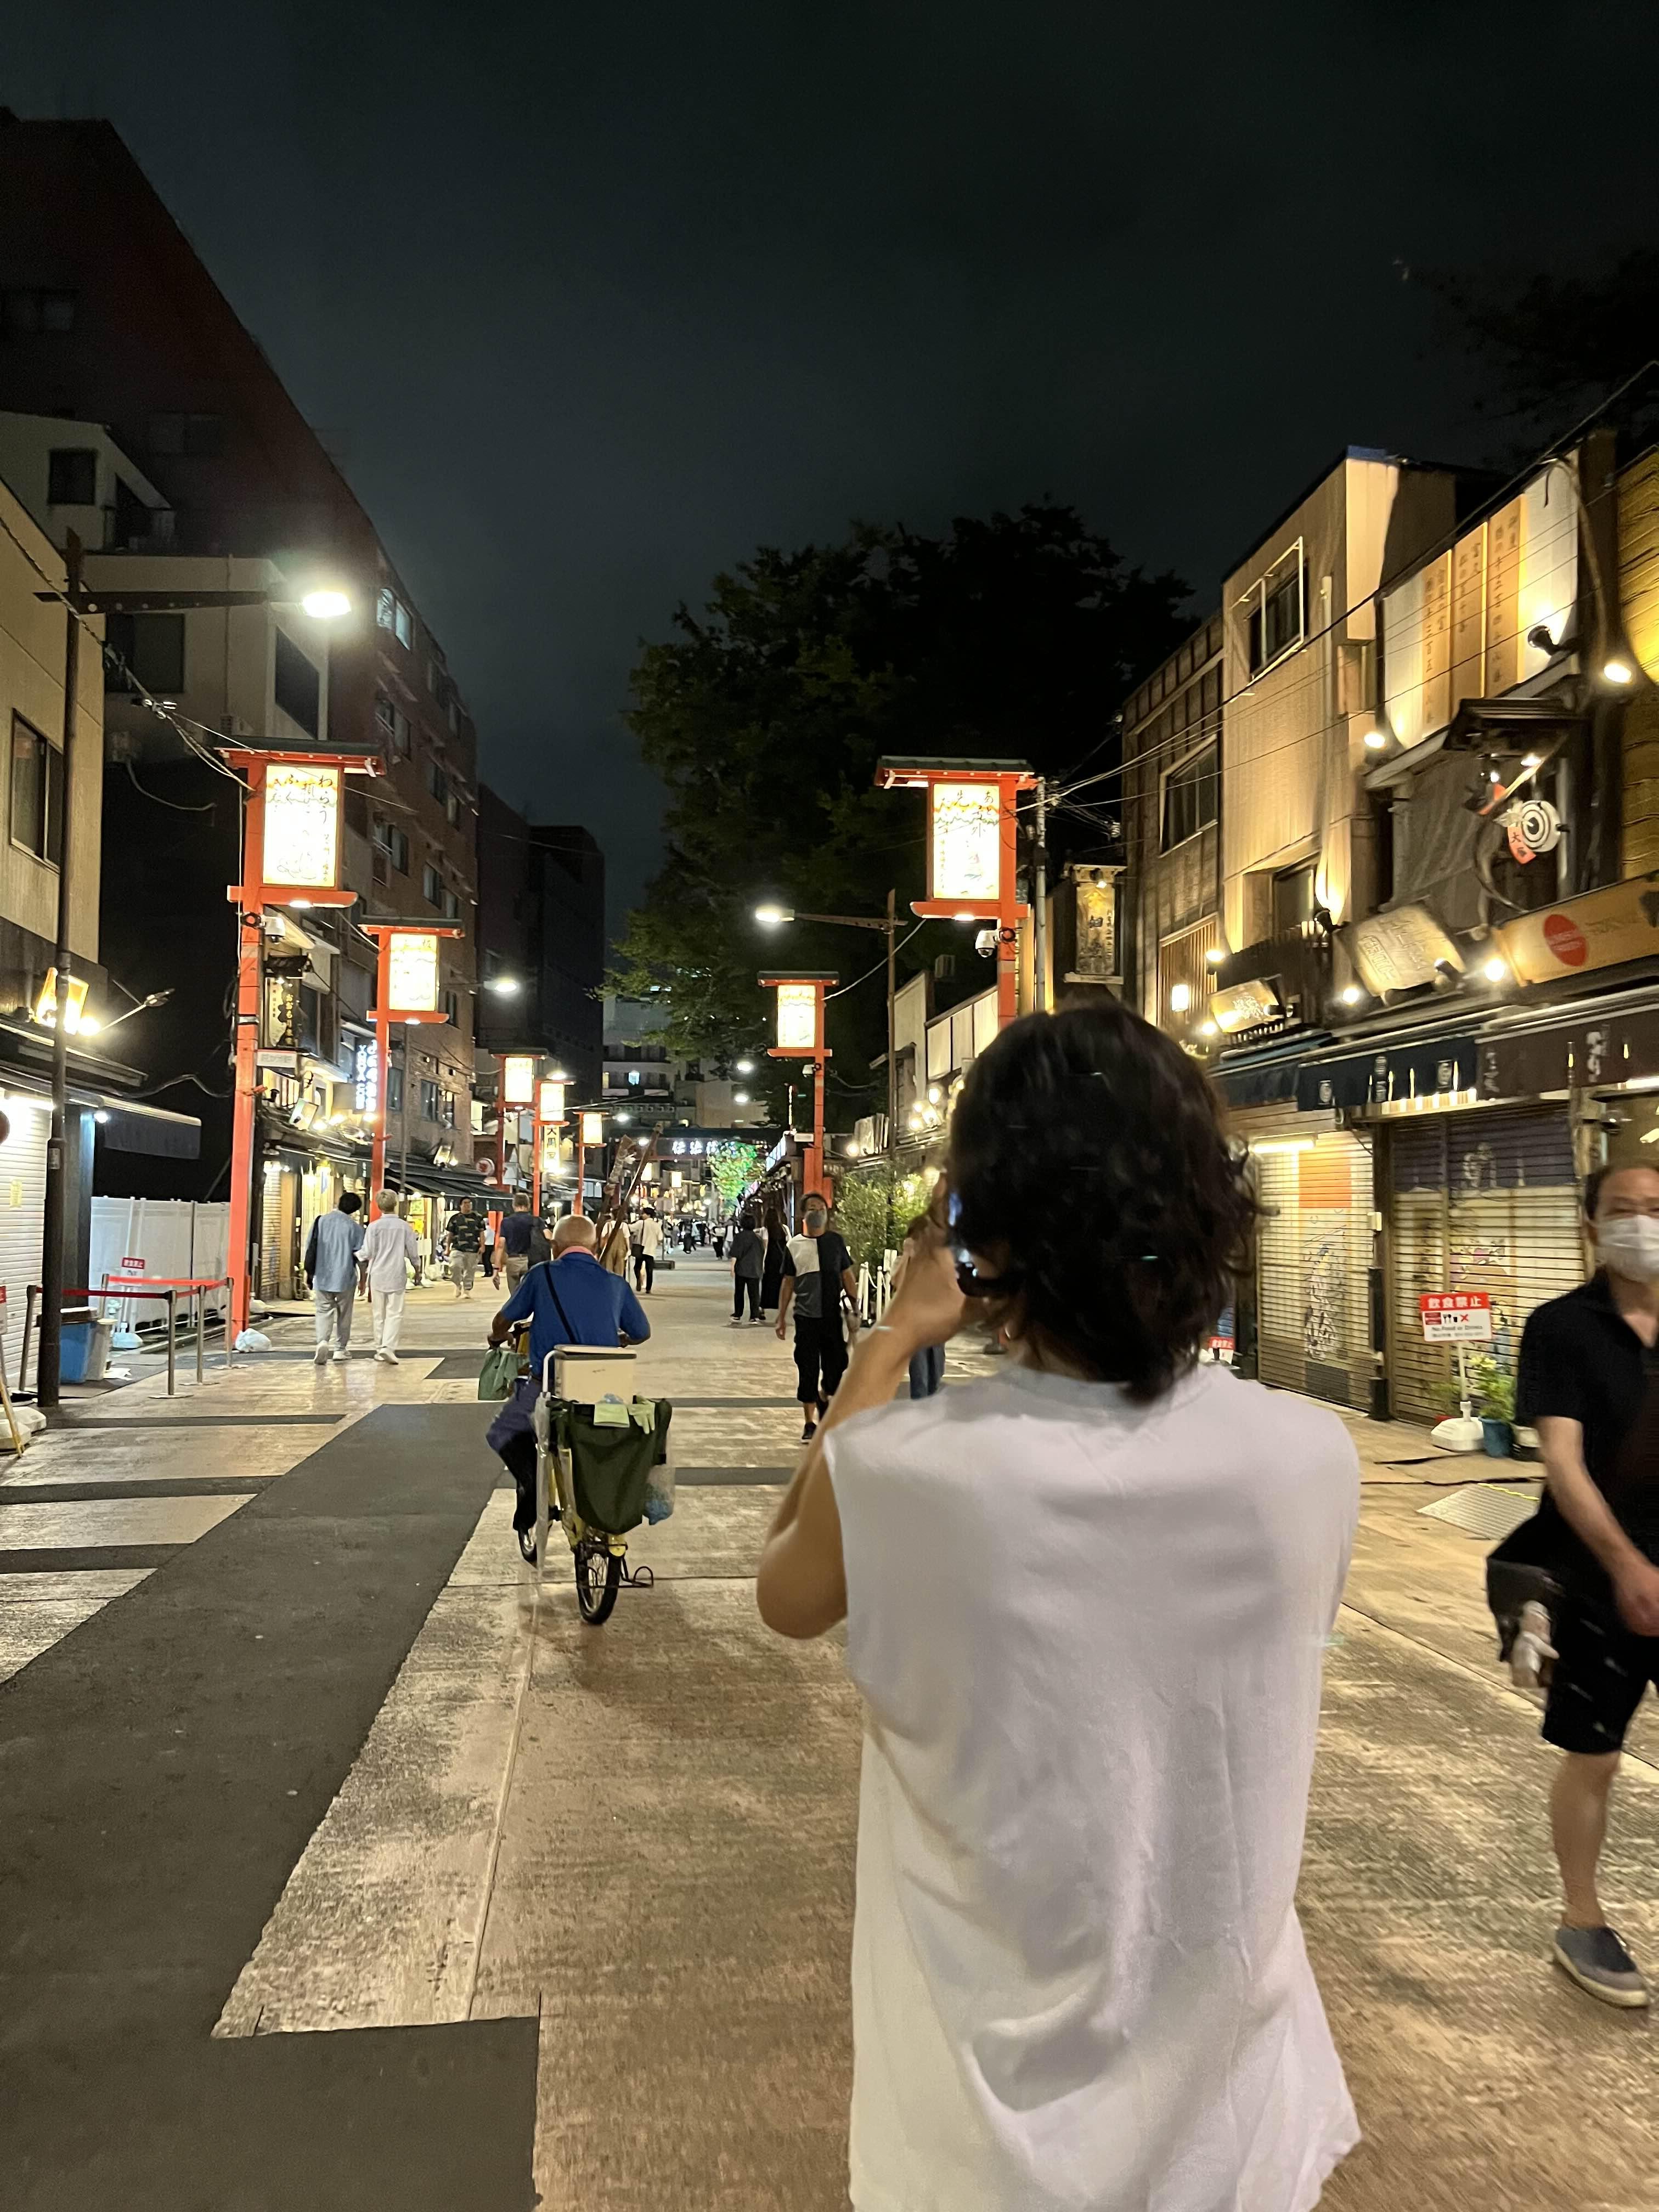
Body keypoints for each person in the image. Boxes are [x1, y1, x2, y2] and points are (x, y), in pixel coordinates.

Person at [755, 1000, 1359, 2211]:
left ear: (987, 1233)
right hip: (1239, 2133)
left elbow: (785, 1590)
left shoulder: (910, 1473)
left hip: (981, 2151)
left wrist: (889, 1343)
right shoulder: (1310, 1459)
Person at [1517, 1161, 1659, 2008]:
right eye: (1624, 1210)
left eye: (1656, 1208)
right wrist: (1628, 1567)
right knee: (1595, 1752)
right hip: (1599, 1574)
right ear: (1592, 1225)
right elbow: (1563, 1464)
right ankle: (1581, 1918)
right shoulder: (1562, 1327)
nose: (1642, 1222)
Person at [485, 1214, 651, 1559]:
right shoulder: (615, 1283)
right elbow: (641, 1332)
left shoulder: (542, 1275)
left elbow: (505, 1319)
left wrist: (497, 1336)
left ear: (556, 1246)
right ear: (595, 1247)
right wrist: (618, 1339)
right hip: (606, 1393)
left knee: (502, 1432)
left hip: (551, 1386)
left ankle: (534, 1486)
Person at [775, 1193, 857, 1442]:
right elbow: (788, 1283)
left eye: (821, 1207)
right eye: (812, 1208)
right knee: (807, 1369)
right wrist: (781, 1317)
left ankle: (824, 1395)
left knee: (838, 1365)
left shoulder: (835, 1242)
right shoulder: (794, 1246)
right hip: (806, 1318)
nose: (817, 1211)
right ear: (804, 1215)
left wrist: (855, 1304)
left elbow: (847, 1274)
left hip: (832, 1316)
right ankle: (809, 1423)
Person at [304, 1190, 365, 1366]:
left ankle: (322, 1342)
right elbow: (361, 1256)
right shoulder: (355, 1228)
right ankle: (340, 1349)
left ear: (339, 1203)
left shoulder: (320, 1222)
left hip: (322, 1276)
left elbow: (310, 1248)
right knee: (344, 1314)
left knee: (323, 1311)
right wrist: (363, 1279)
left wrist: (309, 1273)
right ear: (354, 1210)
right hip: (345, 1277)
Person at [360, 1190, 421, 1363]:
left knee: (378, 1314)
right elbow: (413, 1252)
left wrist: (355, 1255)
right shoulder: (404, 1227)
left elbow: (367, 1252)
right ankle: (388, 1347)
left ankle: (380, 1348)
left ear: (379, 1206)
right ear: (396, 1204)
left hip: (377, 1274)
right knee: (395, 1313)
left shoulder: (373, 1227)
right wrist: (417, 1269)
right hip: (396, 1274)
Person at [891, 1215, 945, 1398]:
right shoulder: (903, 1262)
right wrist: (907, 1255)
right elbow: (897, 1284)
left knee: (936, 1378)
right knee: (920, 1378)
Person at [730, 1210, 765, 1327]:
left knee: (739, 1292)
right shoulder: (758, 1238)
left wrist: (732, 1268)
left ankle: (738, 1314)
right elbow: (762, 1253)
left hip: (742, 1269)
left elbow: (736, 1253)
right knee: (754, 1294)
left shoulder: (739, 1237)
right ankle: (754, 1316)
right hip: (755, 1269)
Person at [445, 1197, 484, 1299]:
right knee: (455, 1266)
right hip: (457, 1247)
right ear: (461, 1205)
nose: (468, 1205)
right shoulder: (455, 1218)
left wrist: (483, 1246)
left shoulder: (478, 1218)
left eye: (469, 1203)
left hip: (473, 1248)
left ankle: (467, 1290)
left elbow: (482, 1233)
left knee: (470, 1270)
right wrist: (447, 1248)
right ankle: (458, 1284)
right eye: (465, 1203)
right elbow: (450, 1234)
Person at [499, 1192, 537, 1290]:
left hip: (513, 1261)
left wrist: (496, 1268)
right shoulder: (536, 1221)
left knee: (515, 1294)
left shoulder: (506, 1222)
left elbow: (501, 1245)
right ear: (529, 1205)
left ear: (514, 1205)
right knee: (529, 1292)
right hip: (531, 1261)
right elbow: (549, 1237)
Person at [759, 1203, 787, 1317]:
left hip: (770, 1261)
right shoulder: (784, 1229)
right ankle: (781, 1311)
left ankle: (762, 1308)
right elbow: (789, 1244)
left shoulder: (765, 1230)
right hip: (781, 1261)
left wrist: (762, 1263)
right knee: (780, 1285)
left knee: (767, 1284)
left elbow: (765, 1248)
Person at [637, 1206, 663, 1294]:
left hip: (641, 1249)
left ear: (648, 1215)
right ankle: (648, 1288)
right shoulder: (657, 1225)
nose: (642, 1215)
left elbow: (630, 1228)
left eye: (644, 1213)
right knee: (649, 1270)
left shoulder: (641, 1223)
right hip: (651, 1250)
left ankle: (639, 1281)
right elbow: (660, 1238)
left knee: (637, 1267)